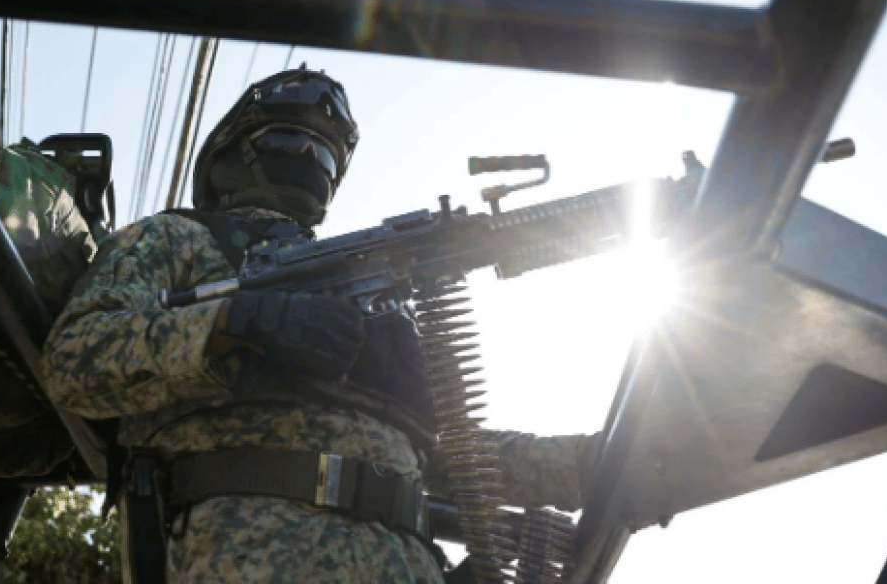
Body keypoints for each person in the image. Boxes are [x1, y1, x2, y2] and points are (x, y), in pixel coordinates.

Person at [42, 66, 599, 584]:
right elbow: (73, 360)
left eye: (325, 157)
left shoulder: (365, 286)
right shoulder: (176, 238)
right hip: (249, 554)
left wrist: (589, 466)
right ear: (229, 157)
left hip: (405, 563)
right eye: (290, 142)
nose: (309, 160)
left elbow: (445, 454)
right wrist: (236, 322)